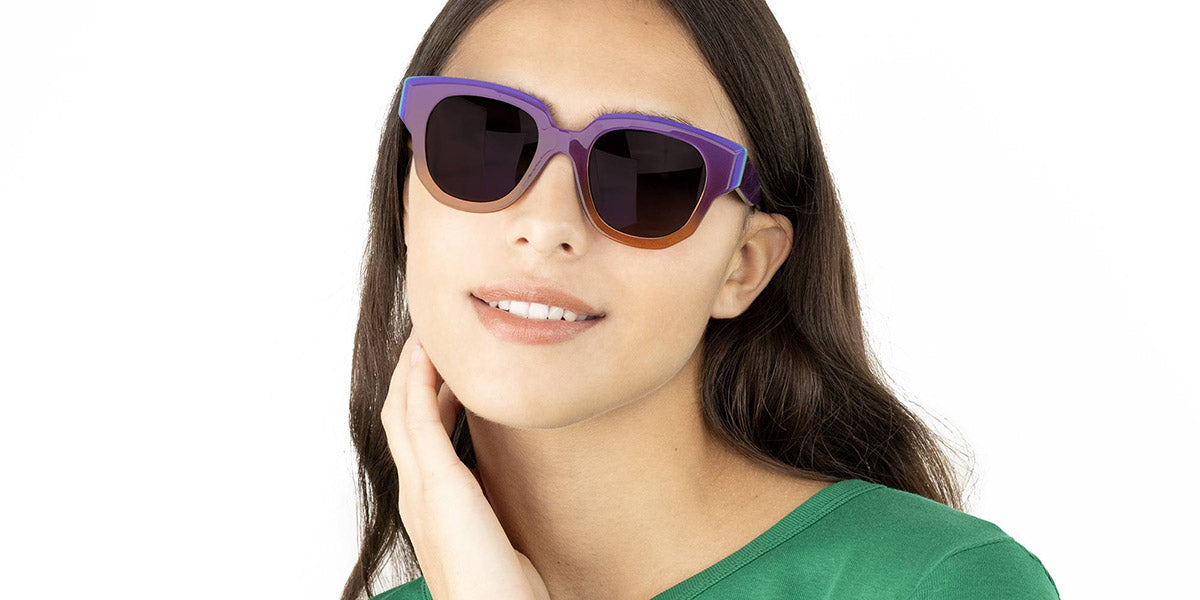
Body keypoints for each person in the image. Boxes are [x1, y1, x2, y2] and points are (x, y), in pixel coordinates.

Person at [341, 1, 1061, 599]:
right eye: (482, 138)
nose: (547, 223)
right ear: (406, 200)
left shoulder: (935, 584)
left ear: (742, 267)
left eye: (646, 174)